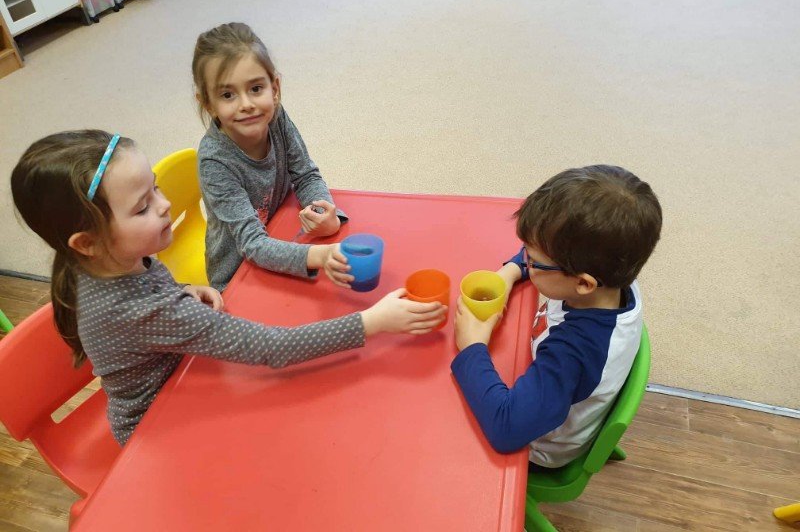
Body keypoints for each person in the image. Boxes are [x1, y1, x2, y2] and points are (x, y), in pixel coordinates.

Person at [11, 130, 446, 445]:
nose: (164, 205)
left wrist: (183, 289)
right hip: (159, 429)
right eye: (143, 207)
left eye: (156, 190)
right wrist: (373, 321)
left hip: (187, 377)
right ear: (86, 243)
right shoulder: (144, 312)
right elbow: (274, 348)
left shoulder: (107, 260)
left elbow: (150, 297)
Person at [451, 165, 662, 467]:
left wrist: (471, 346)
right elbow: (548, 252)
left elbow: (506, 429)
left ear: (583, 283)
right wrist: (509, 274)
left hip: (538, 446)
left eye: (532, 260)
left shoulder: (572, 353)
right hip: (548, 393)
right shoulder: (613, 271)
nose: (525, 258)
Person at [193, 22, 349, 291]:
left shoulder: (274, 114)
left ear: (274, 88)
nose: (247, 105)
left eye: (256, 89)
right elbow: (253, 245)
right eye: (228, 95)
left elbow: (305, 174)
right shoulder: (214, 162)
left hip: (284, 233)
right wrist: (321, 255)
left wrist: (325, 214)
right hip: (237, 273)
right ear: (208, 104)